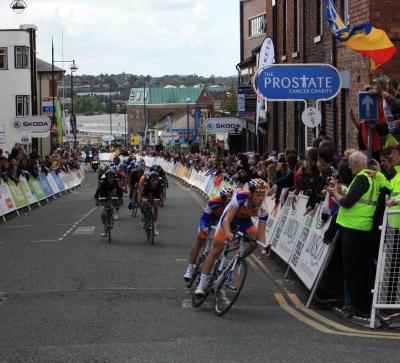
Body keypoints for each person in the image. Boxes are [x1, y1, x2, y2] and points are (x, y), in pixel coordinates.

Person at [194, 179, 268, 297]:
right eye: (258, 195)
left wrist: (263, 249)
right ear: (251, 193)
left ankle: (236, 261)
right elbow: (227, 219)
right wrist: (228, 233)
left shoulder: (263, 208)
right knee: (217, 249)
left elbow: (261, 234)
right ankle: (201, 285)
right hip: (228, 220)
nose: (261, 198)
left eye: (263, 195)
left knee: (253, 240)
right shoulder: (240, 197)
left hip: (244, 222)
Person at [327, 151, 381, 315]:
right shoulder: (370, 178)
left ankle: (359, 307)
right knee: (361, 269)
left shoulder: (361, 178)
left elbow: (348, 203)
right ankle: (363, 305)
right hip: (362, 228)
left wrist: (334, 193)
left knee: (352, 270)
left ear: (357, 163)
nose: (349, 167)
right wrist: (340, 189)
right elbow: (355, 197)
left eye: (350, 163)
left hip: (353, 228)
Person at [183, 187, 234, 282]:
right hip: (209, 220)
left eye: (229, 202)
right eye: (226, 201)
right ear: (222, 199)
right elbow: (203, 218)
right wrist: (203, 227)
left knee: (219, 246)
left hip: (221, 222)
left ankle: (209, 268)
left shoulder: (234, 206)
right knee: (200, 240)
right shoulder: (213, 202)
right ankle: (189, 269)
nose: (228, 204)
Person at [94, 170, 122, 237]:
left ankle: (114, 208)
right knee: (103, 213)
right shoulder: (102, 182)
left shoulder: (116, 181)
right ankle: (104, 226)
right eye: (109, 178)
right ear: (106, 177)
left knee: (115, 190)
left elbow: (120, 191)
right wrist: (96, 200)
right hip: (104, 197)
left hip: (113, 196)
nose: (110, 179)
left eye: (112, 178)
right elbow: (97, 193)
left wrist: (119, 199)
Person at [138, 170, 163, 236]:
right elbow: (142, 193)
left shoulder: (160, 182)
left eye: (156, 180)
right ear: (150, 179)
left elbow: (163, 194)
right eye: (153, 180)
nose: (154, 182)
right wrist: (141, 199)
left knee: (156, 207)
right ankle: (143, 216)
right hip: (147, 191)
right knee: (144, 203)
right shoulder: (146, 182)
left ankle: (154, 224)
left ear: (158, 179)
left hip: (156, 193)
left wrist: (161, 201)